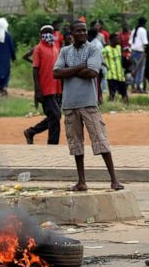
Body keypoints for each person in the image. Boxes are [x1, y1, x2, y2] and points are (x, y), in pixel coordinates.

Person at [52, 21, 124, 192]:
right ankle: (81, 181)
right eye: (78, 31)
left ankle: (114, 180)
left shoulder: (93, 49)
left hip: (89, 103)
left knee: (100, 140)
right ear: (71, 33)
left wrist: (68, 70)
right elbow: (56, 73)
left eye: (84, 30)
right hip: (69, 104)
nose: (82, 33)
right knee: (76, 144)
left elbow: (92, 72)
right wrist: (80, 68)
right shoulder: (65, 51)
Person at [23, 25, 63, 145]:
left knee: (54, 116)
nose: (48, 34)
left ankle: (31, 132)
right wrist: (37, 90)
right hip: (45, 89)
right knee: (55, 115)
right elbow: (35, 70)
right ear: (41, 35)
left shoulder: (55, 48)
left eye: (50, 32)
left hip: (56, 88)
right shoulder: (38, 49)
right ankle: (52, 143)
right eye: (45, 32)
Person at [0, 17, 17, 95]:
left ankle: (0, 87)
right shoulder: (8, 36)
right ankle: (4, 86)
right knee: (6, 72)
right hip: (6, 58)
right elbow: (12, 47)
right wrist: (13, 57)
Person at [103, 32, 128, 103]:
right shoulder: (106, 50)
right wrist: (106, 65)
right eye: (117, 39)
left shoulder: (119, 48)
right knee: (112, 94)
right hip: (111, 75)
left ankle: (126, 108)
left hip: (121, 75)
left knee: (124, 93)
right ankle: (111, 106)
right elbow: (99, 58)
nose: (118, 41)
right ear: (112, 40)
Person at [130, 17, 149, 93]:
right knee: (140, 70)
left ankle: (133, 86)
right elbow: (145, 43)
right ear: (144, 23)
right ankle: (138, 86)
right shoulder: (143, 30)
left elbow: (130, 42)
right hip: (140, 52)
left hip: (133, 51)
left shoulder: (134, 30)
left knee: (134, 69)